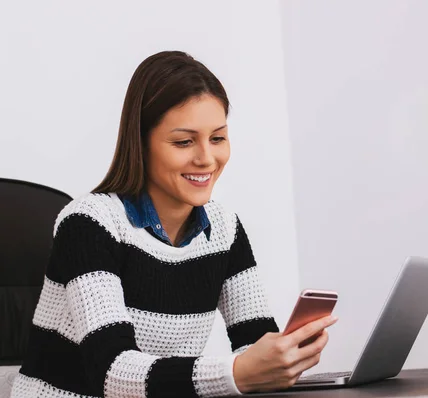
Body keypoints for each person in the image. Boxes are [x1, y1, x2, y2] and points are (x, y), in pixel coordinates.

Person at [11, 51, 337, 398]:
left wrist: (282, 360)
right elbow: (112, 372)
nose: (206, 159)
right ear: (141, 143)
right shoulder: (89, 225)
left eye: (217, 138)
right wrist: (237, 373)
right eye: (184, 141)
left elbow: (253, 343)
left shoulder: (224, 229)